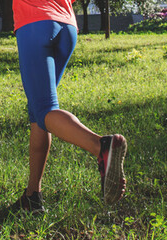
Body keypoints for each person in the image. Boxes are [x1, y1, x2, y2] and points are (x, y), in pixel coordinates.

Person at [9, 0, 128, 214]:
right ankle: (32, 196)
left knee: (45, 108)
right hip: (66, 24)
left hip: (35, 24)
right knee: (37, 113)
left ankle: (101, 147)